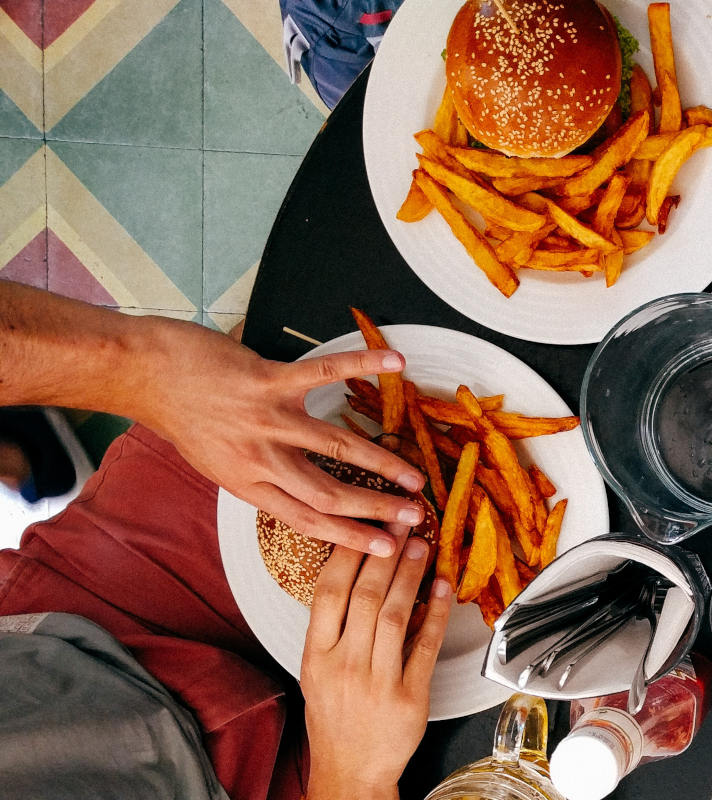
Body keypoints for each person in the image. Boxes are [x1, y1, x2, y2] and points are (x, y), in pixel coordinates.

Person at [0, 280, 450, 799]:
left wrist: (140, 370)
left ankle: (19, 452)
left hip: (92, 616)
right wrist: (352, 779)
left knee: (331, 322)